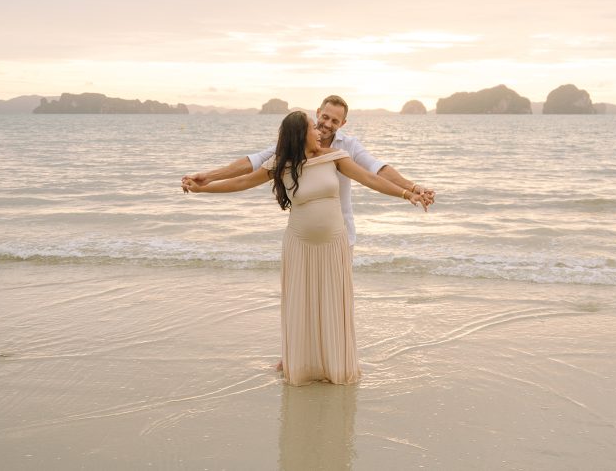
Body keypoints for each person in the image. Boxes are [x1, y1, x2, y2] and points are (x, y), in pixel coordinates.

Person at [182, 111, 431, 386]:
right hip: (299, 244)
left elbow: (370, 177)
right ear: (301, 135)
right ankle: (300, 365)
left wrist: (408, 192)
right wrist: (204, 187)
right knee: (300, 302)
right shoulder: (281, 163)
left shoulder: (335, 157)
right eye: (314, 127)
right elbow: (243, 178)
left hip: (334, 244)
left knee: (333, 303)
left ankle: (334, 366)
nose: (319, 131)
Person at [183, 94, 435, 248]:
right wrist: (206, 179)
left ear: (342, 124)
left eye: (334, 121)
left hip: (340, 238)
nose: (326, 124)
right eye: (324, 117)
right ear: (318, 114)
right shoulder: (290, 150)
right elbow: (250, 167)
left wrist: (410, 189)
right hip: (301, 240)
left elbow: (374, 171)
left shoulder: (344, 151)